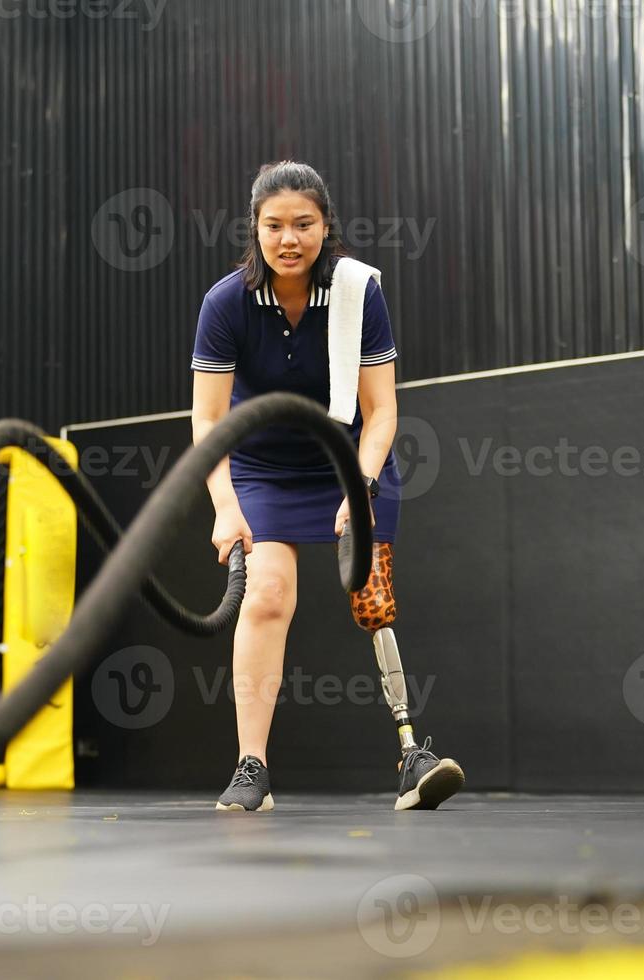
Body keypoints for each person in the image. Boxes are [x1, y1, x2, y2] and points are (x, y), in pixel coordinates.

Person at [189, 160, 466, 813]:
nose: (289, 239)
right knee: (265, 596)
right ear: (254, 229)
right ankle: (250, 767)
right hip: (259, 465)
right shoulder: (225, 303)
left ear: (325, 226)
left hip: (347, 458)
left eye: (303, 224)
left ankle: (410, 755)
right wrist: (224, 505)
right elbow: (206, 418)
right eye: (274, 225)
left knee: (371, 599)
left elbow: (382, 412)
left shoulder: (356, 292)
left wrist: (360, 484)